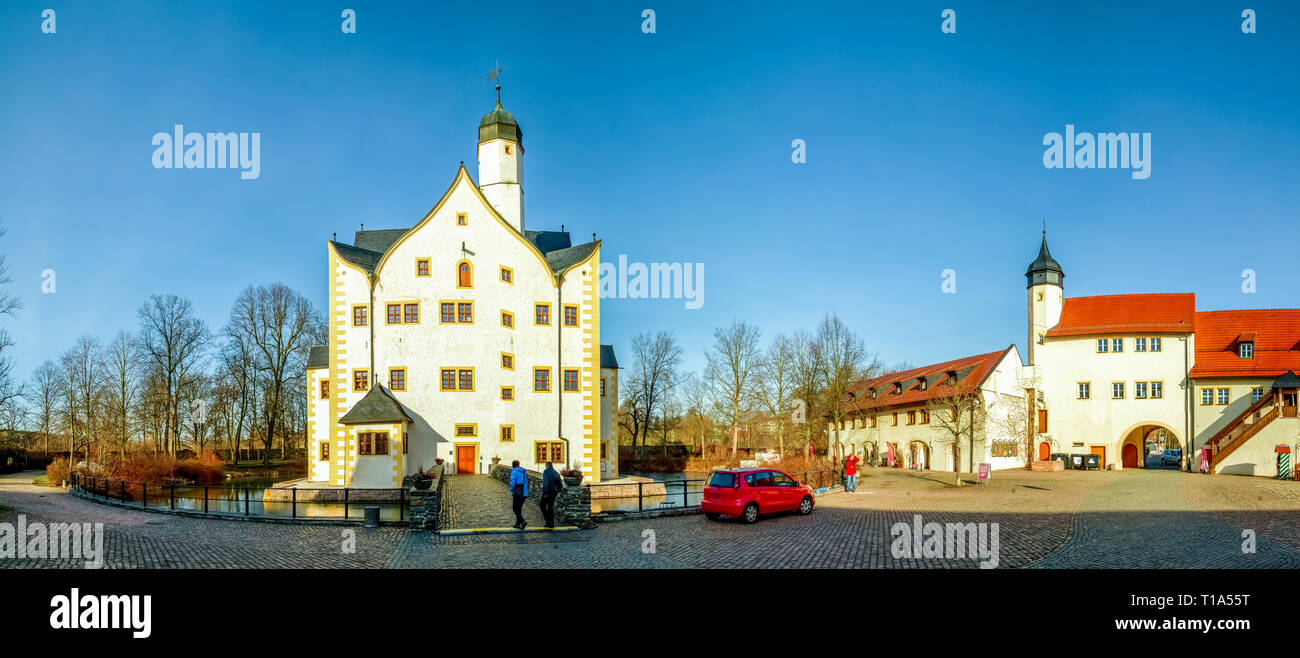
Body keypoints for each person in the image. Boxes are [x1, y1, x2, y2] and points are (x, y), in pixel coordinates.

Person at [507, 460, 529, 529]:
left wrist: (511, 489)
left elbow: (512, 481)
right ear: (519, 465)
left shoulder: (514, 471)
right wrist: (525, 492)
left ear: (513, 465)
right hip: (524, 492)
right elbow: (526, 482)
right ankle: (517, 524)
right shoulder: (523, 472)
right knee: (518, 509)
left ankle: (522, 521)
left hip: (517, 492)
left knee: (515, 508)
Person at [540, 461, 563, 527]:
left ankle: (548, 521)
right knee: (550, 507)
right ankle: (551, 523)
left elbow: (545, 483)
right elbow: (560, 485)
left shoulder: (546, 472)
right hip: (554, 493)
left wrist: (545, 493)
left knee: (542, 506)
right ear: (552, 466)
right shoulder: (556, 473)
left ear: (547, 466)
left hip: (548, 492)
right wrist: (557, 491)